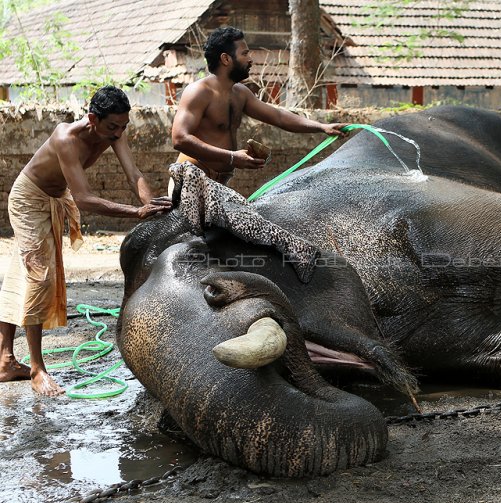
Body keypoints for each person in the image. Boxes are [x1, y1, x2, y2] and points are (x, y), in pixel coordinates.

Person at [0, 86, 172, 396]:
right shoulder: (66, 138)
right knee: (40, 278)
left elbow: (134, 174)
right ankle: (38, 369)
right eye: (112, 127)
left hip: (52, 197)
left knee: (21, 276)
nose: (118, 134)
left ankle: (5, 361)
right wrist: (137, 212)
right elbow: (84, 198)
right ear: (93, 119)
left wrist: (152, 208)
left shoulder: (113, 133)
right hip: (28, 199)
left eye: (123, 126)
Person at [170, 26, 348, 192]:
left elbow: (278, 116)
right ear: (226, 59)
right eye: (245, 53)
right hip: (190, 180)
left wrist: (321, 127)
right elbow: (179, 139)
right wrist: (232, 157)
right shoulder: (198, 92)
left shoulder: (240, 93)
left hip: (220, 184)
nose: (250, 59)